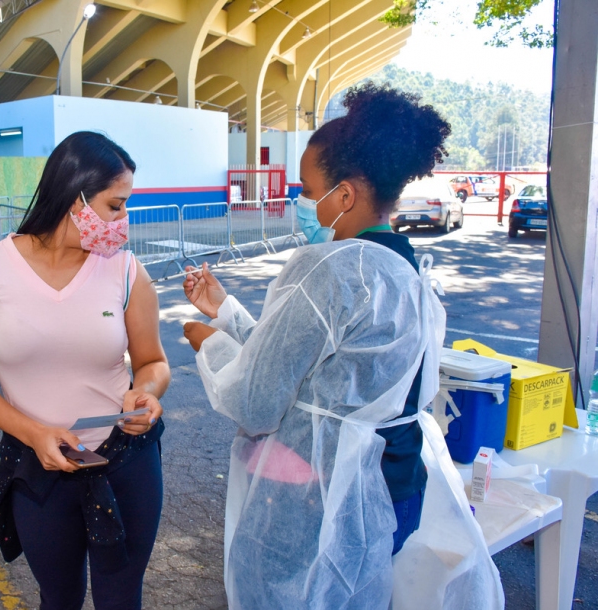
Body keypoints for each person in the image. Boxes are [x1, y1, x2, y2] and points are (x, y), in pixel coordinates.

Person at [182, 84, 502, 609]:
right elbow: (327, 368)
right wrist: (228, 312)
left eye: (308, 189)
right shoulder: (407, 271)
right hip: (389, 485)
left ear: (345, 195)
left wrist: (209, 344)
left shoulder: (328, 267)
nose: (302, 202)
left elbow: (256, 402)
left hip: (319, 497)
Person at [0, 131, 170, 610]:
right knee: (59, 598)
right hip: (38, 467)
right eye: (115, 206)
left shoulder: (127, 271)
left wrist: (146, 394)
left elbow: (152, 362)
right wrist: (31, 432)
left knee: (120, 598)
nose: (123, 223)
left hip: (126, 462)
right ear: (75, 200)